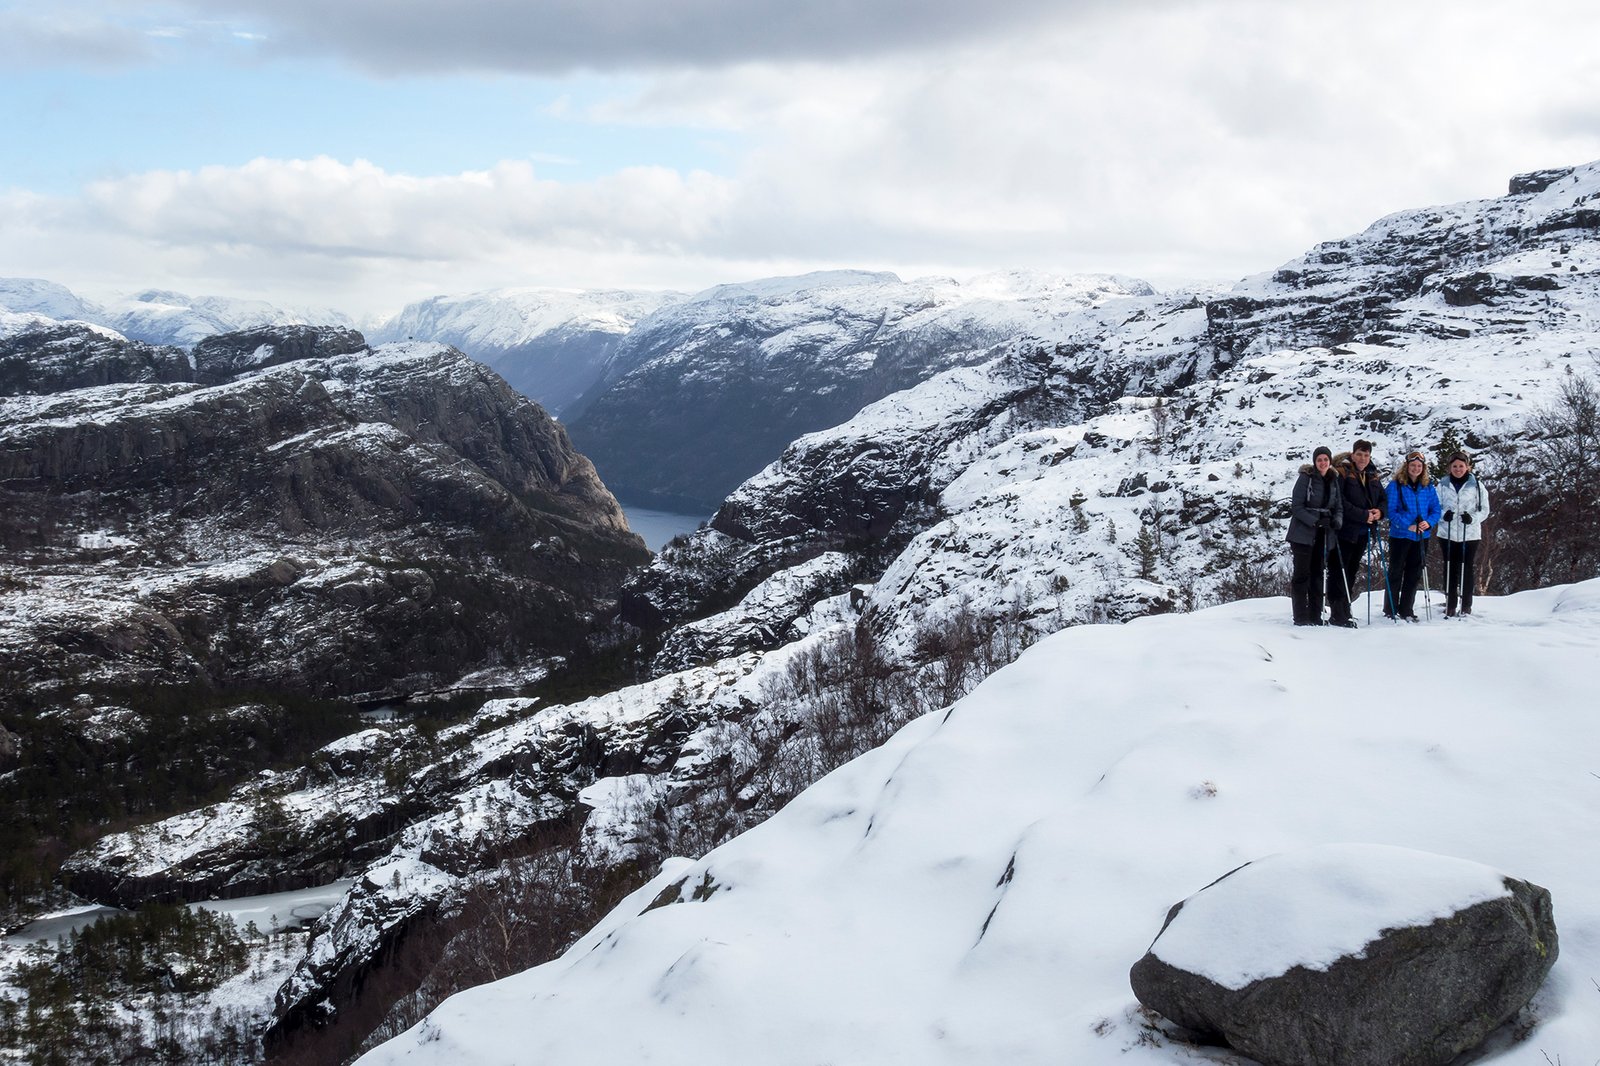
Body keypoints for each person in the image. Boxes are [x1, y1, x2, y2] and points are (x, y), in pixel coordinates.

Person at [1326, 439, 1386, 627]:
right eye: (1359, 454)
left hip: (1362, 532)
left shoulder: (1372, 475)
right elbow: (1340, 502)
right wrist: (1363, 515)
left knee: (1351, 571)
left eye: (1366, 455)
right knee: (1338, 570)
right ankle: (1337, 612)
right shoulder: (1342, 473)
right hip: (1343, 530)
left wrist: (1379, 512)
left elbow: (1383, 499)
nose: (1363, 458)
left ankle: (1345, 607)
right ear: (1352, 454)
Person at [1287, 445, 1343, 626]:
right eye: (1319, 459)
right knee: (1302, 574)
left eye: (1325, 459)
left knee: (1318, 573)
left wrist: (1336, 521)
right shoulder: (1306, 478)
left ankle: (1315, 614)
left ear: (1330, 461)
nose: (1323, 462)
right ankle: (1301, 616)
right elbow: (1297, 507)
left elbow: (1338, 506)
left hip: (1324, 533)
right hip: (1303, 534)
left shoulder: (1333, 479)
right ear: (1314, 461)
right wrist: (1315, 520)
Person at [1384, 450, 1441, 621]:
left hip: (1421, 536)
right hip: (1401, 536)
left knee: (1413, 573)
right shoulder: (1395, 486)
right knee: (1396, 572)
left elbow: (1436, 509)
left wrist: (1429, 522)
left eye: (1419, 466)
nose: (1416, 468)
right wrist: (1407, 525)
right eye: (1413, 465)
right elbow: (1390, 511)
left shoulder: (1428, 486)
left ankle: (1406, 609)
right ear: (1406, 466)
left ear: (1423, 468)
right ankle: (1391, 609)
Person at [1436, 450, 1490, 617]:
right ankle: (1450, 604)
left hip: (1470, 534)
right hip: (1447, 533)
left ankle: (1466, 604)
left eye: (1461, 466)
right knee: (1450, 567)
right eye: (1455, 466)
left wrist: (1472, 518)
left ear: (1468, 466)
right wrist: (1443, 515)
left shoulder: (1477, 485)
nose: (1458, 469)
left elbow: (1485, 510)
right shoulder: (1442, 485)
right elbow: (1435, 507)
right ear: (1449, 467)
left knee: (1467, 568)